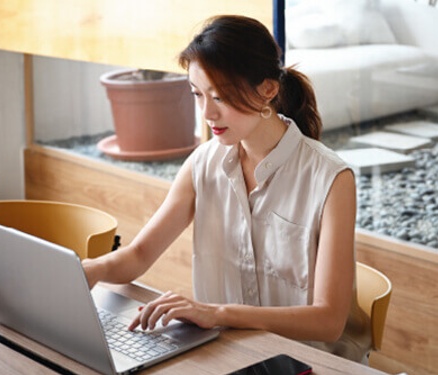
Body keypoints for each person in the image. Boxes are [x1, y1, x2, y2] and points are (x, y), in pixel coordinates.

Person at [83, 14, 371, 363]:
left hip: (310, 362)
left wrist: (217, 313)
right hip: (232, 356)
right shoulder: (203, 164)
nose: (207, 113)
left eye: (219, 97)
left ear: (267, 89)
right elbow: (139, 255)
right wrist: (91, 270)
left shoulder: (331, 179)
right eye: (197, 94)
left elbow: (327, 321)